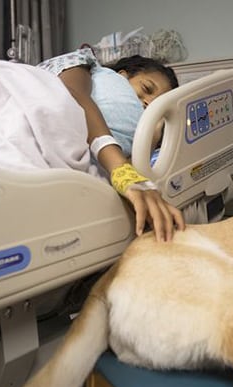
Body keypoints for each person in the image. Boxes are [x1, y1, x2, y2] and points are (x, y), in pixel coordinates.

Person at [38, 48, 185, 242]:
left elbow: (126, 180)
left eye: (156, 104)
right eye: (147, 89)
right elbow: (72, 95)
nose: (148, 103)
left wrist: (151, 136)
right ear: (122, 76)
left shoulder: (137, 136)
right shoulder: (83, 62)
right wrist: (121, 171)